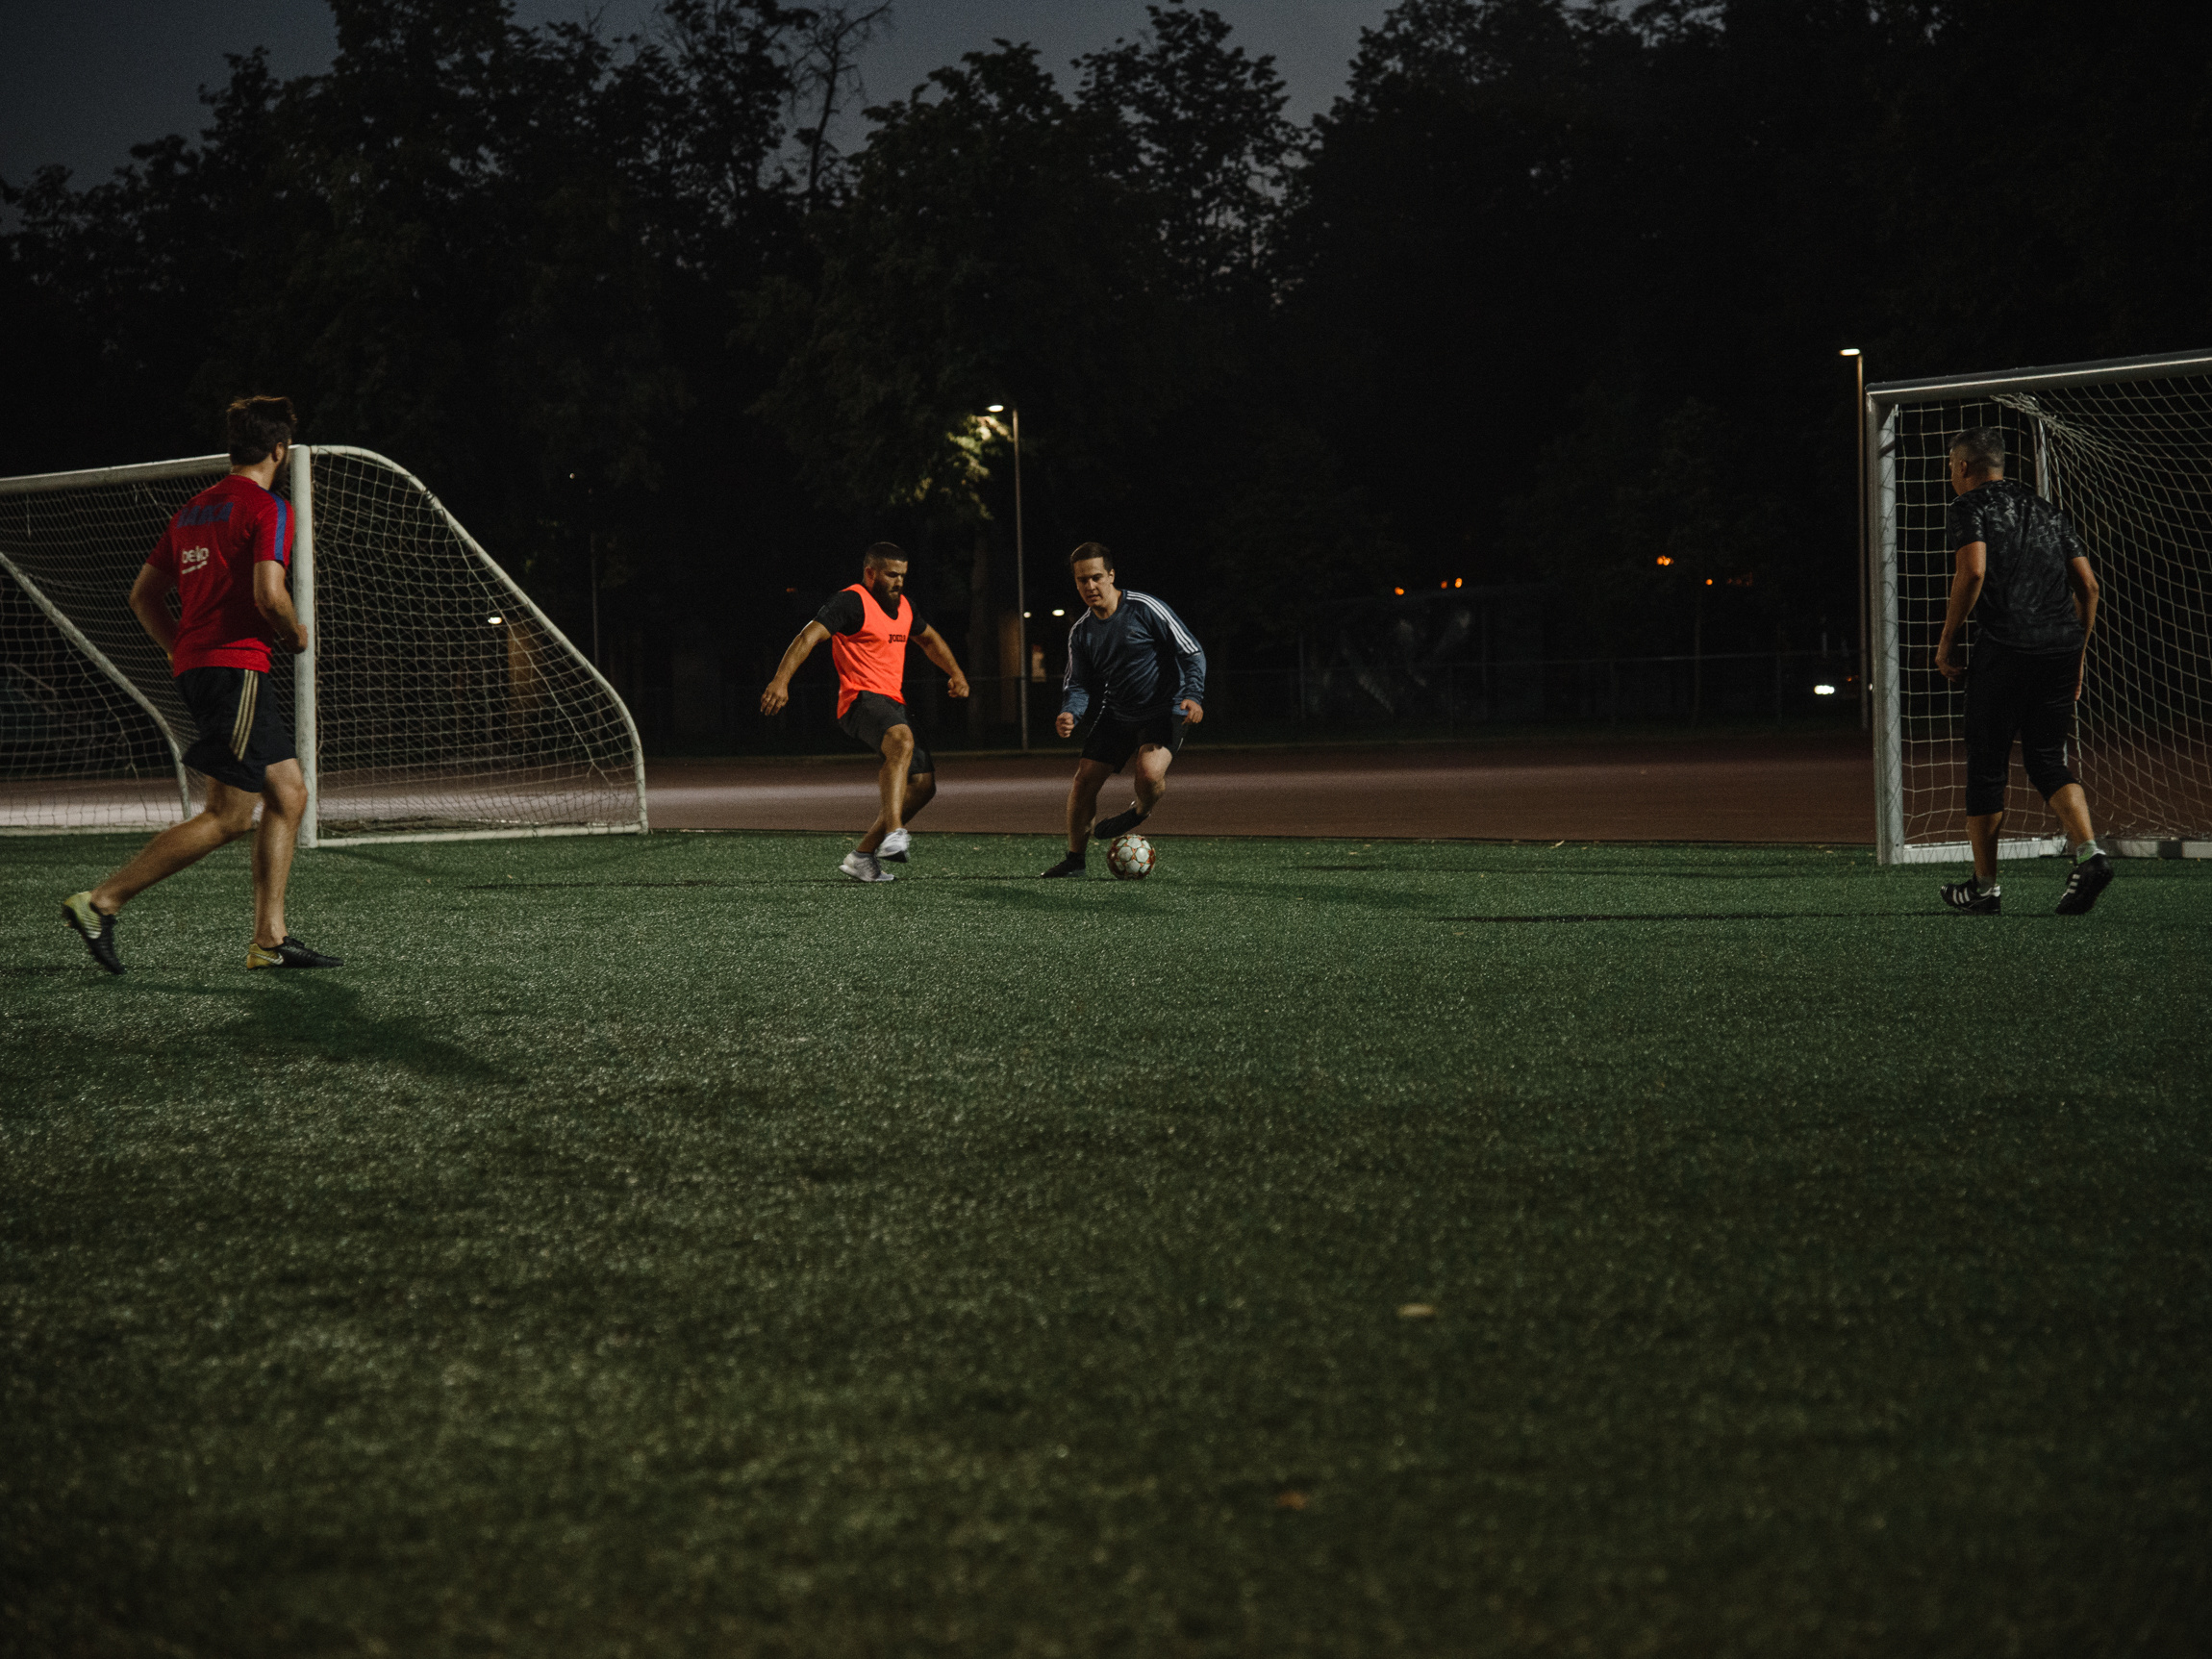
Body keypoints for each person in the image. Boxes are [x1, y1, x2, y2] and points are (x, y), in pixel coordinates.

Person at [61, 395, 343, 973]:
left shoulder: (192, 510)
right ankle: (100, 902)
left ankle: (270, 941)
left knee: (288, 796)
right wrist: (294, 634)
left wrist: (179, 649)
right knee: (229, 816)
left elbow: (142, 596)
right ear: (279, 450)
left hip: (207, 667)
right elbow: (270, 594)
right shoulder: (268, 507)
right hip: (234, 668)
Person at [1932, 425, 2113, 916]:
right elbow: (2090, 588)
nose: (1951, 474)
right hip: (2060, 649)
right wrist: (2075, 657)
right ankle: (2090, 854)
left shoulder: (1969, 507)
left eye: (1951, 466)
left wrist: (1947, 643)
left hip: (2007, 648)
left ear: (1964, 467)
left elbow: (1972, 571)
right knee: (2046, 758)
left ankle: (1985, 887)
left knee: (1987, 764)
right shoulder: (2048, 510)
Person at [760, 542, 969, 883]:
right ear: (870, 573)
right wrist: (780, 681)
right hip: (859, 700)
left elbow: (929, 639)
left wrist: (956, 673)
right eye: (891, 574)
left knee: (923, 785)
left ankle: (862, 856)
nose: (898, 582)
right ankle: (895, 832)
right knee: (901, 743)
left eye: (903, 575)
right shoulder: (851, 601)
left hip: (892, 703)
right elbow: (807, 638)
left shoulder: (904, 607)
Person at [1041, 542, 1205, 878]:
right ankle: (1075, 861)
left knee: (1148, 774)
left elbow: (1192, 652)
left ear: (1111, 575)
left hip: (1165, 708)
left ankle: (1140, 811)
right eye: (1081, 580)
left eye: (1097, 577)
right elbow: (1078, 684)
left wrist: (1193, 694)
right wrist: (1071, 712)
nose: (1090, 586)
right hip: (1117, 711)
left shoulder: (1145, 608)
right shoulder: (1081, 632)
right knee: (1083, 781)